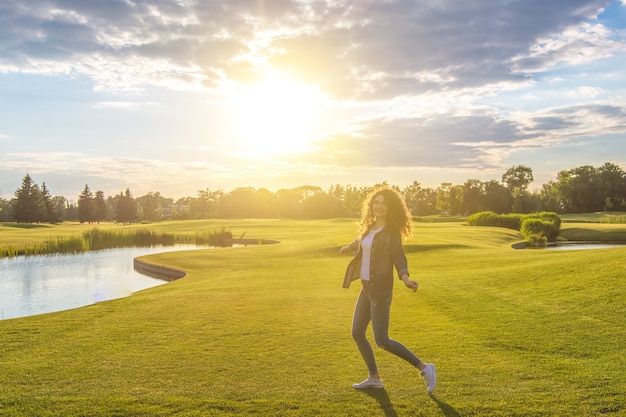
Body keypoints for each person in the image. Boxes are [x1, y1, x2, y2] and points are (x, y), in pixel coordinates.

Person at [339, 187, 436, 393]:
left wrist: (405, 278)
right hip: (366, 288)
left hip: (381, 291)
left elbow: (399, 258)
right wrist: (349, 247)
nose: (379, 206)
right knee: (357, 332)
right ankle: (374, 377)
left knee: (382, 339)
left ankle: (425, 367)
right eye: (376, 202)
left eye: (383, 203)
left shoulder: (392, 233)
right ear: (371, 206)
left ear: (390, 207)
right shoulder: (369, 227)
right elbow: (361, 241)